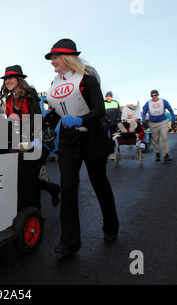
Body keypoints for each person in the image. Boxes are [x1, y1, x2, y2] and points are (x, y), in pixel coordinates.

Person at [44, 38, 119, 257]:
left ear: (67, 57)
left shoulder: (86, 77)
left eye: (55, 57)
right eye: (51, 58)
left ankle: (111, 226)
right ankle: (69, 241)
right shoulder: (53, 83)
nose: (52, 62)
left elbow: (99, 109)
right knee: (67, 188)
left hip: (92, 137)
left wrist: (80, 120)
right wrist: (47, 127)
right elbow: (57, 111)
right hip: (68, 140)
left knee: (99, 183)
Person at [0, 65, 60, 207]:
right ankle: (52, 189)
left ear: (19, 79)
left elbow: (36, 119)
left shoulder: (30, 93)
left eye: (11, 78)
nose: (8, 81)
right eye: (6, 78)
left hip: (34, 137)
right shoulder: (9, 99)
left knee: (28, 174)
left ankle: (36, 212)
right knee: (25, 175)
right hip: (19, 138)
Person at [141, 90, 176, 161]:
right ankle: (157, 153)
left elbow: (171, 110)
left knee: (164, 137)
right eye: (152, 96)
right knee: (155, 139)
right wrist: (144, 119)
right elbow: (144, 112)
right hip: (153, 123)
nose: (154, 97)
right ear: (151, 96)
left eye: (155, 95)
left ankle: (165, 154)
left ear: (158, 95)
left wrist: (173, 120)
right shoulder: (148, 103)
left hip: (163, 122)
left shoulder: (164, 102)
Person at [101, 91, 121, 159]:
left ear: (112, 97)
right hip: (105, 123)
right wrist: (108, 120)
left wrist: (117, 120)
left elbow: (119, 112)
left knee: (113, 139)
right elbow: (102, 113)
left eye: (109, 96)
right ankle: (106, 154)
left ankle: (112, 153)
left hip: (114, 124)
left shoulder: (115, 103)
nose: (108, 98)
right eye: (107, 96)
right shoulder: (103, 103)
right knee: (105, 139)